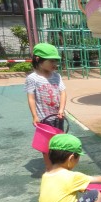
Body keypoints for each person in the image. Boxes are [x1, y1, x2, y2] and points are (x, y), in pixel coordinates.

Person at [25, 43, 66, 171]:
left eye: (56, 61)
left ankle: (60, 166)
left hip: (58, 116)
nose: (55, 64)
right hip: (44, 118)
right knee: (46, 145)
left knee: (58, 143)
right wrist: (35, 116)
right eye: (51, 61)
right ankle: (50, 169)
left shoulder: (56, 76)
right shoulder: (32, 78)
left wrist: (61, 109)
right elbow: (31, 98)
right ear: (38, 59)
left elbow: (62, 92)